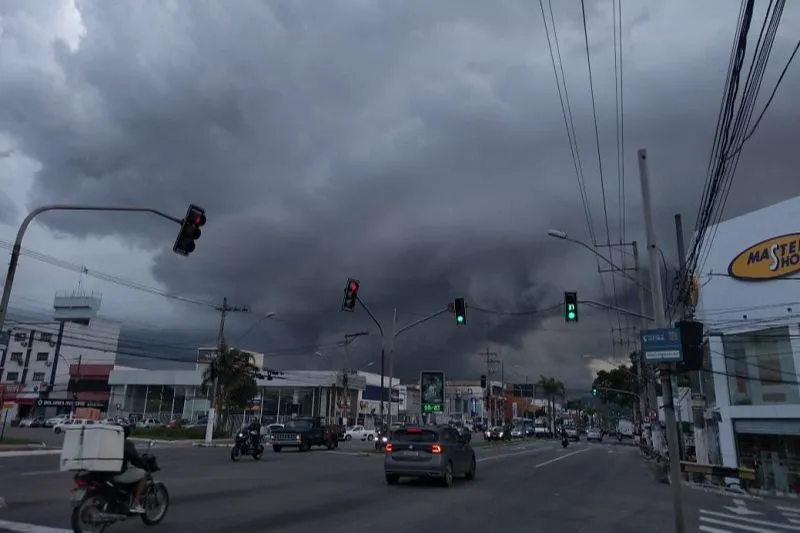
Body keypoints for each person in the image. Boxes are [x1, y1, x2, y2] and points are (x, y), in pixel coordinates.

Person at [114, 425, 148, 514]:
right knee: (143, 474)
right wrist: (144, 465)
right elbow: (135, 458)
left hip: (104, 473)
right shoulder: (126, 444)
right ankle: (136, 503)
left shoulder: (107, 442)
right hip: (118, 473)